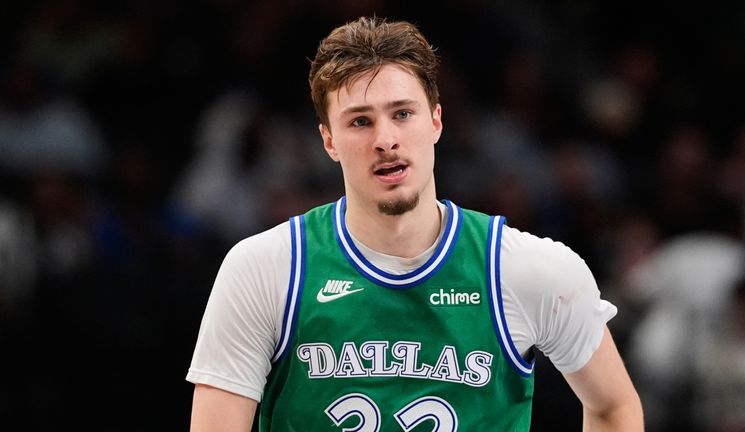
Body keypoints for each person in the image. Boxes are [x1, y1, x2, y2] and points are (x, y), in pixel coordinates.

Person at [187, 16, 643, 431]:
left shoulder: (529, 270)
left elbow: (612, 406)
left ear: (436, 121)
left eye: (402, 114)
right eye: (360, 122)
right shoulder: (265, 268)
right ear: (328, 140)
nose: (386, 140)